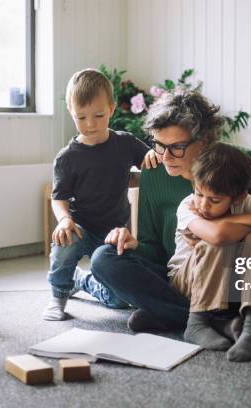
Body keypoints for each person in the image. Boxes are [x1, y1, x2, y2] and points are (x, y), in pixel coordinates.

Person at [90, 90, 251, 361]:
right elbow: (155, 250)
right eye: (158, 144)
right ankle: (219, 322)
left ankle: (170, 315)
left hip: (243, 278)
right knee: (105, 259)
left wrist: (223, 232)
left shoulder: (241, 163)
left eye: (176, 147)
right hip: (185, 275)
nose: (165, 156)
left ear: (203, 141)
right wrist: (133, 243)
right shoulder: (154, 171)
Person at [43, 68, 150, 320]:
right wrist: (65, 220)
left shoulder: (125, 143)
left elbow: (150, 162)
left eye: (99, 115)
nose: (90, 124)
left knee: (120, 301)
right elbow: (58, 198)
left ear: (111, 109)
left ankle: (82, 281)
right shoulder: (67, 158)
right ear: (71, 112)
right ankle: (59, 294)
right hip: (80, 227)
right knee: (65, 240)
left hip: (114, 233)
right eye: (81, 117)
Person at [170, 142, 251, 361]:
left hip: (228, 283)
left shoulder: (244, 203)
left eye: (214, 200)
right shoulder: (187, 207)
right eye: (199, 193)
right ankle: (196, 323)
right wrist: (236, 226)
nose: (203, 205)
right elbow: (218, 236)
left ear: (238, 197)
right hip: (184, 281)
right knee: (215, 242)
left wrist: (231, 222)